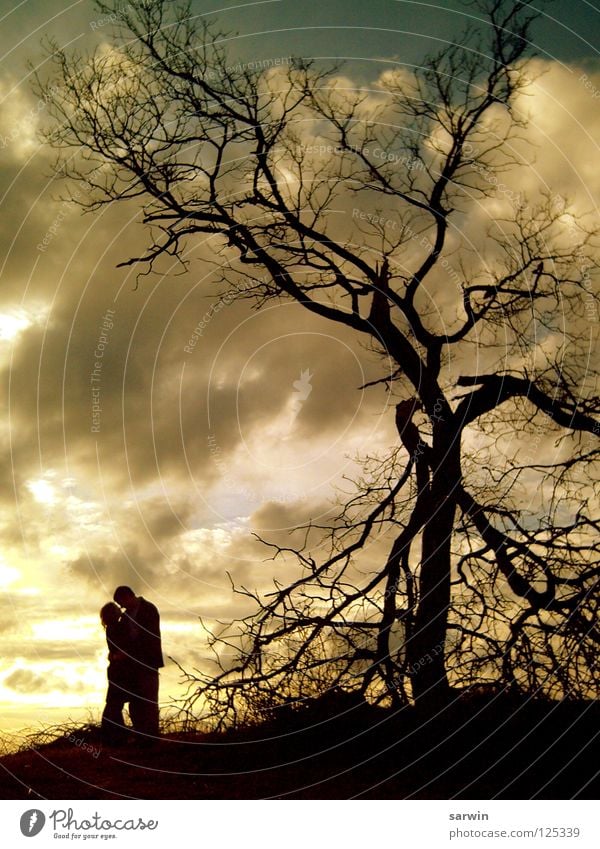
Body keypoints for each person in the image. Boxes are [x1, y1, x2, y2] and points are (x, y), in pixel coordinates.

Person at [113, 585, 164, 743]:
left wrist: (127, 652)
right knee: (136, 703)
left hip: (147, 662)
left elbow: (148, 637)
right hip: (133, 666)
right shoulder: (127, 616)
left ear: (128, 596)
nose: (121, 606)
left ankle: (151, 737)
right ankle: (142, 735)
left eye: (121, 602)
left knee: (148, 701)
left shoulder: (149, 609)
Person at [99, 601, 133, 746]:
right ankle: (114, 737)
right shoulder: (117, 628)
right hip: (119, 670)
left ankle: (113, 736)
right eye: (116, 609)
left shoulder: (111, 628)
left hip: (115, 669)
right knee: (115, 704)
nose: (120, 609)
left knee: (114, 703)